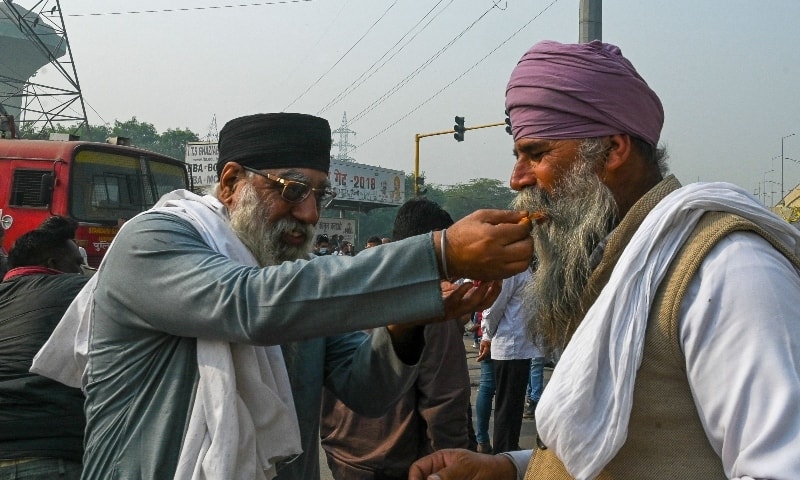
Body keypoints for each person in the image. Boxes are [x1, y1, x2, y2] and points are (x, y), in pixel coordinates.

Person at [31, 112, 534, 480]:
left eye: (321, 194)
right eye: (293, 190)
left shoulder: (294, 279)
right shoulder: (153, 242)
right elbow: (246, 304)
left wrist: (406, 326)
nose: (311, 213)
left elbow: (367, 390)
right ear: (230, 183)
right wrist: (437, 254)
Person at [409, 40, 800, 480]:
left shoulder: (728, 271)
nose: (517, 178)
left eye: (537, 154)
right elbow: (612, 448)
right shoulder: (615, 261)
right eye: (518, 156)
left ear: (613, 149)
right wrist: (511, 469)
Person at [319, 198, 472, 480]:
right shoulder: (433, 302)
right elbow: (445, 401)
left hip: (343, 453)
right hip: (398, 463)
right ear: (438, 250)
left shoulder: (352, 285)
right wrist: (451, 464)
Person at [0, 220, 89, 479]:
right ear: (52, 265)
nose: (80, 271)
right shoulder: (80, 290)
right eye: (75, 264)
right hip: (52, 454)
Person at [477, 267, 537, 453]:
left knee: (514, 404)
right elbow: (495, 305)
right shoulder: (511, 271)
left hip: (521, 346)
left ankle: (510, 446)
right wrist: (486, 335)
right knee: (507, 405)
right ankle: (503, 451)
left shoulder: (524, 270)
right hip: (509, 344)